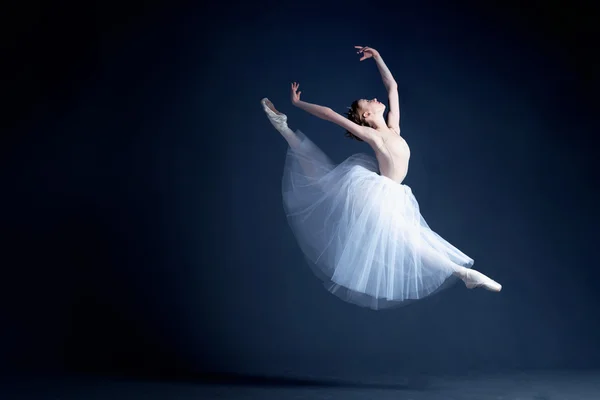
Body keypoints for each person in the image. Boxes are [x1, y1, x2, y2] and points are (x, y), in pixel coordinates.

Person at [261, 45, 501, 309]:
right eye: (369, 101)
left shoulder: (393, 128)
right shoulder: (374, 136)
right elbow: (330, 114)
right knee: (408, 238)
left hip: (393, 193)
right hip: (377, 196)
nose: (374, 99)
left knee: (410, 237)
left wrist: (377, 57)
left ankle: (283, 127)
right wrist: (298, 103)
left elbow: (392, 86)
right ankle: (463, 273)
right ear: (367, 115)